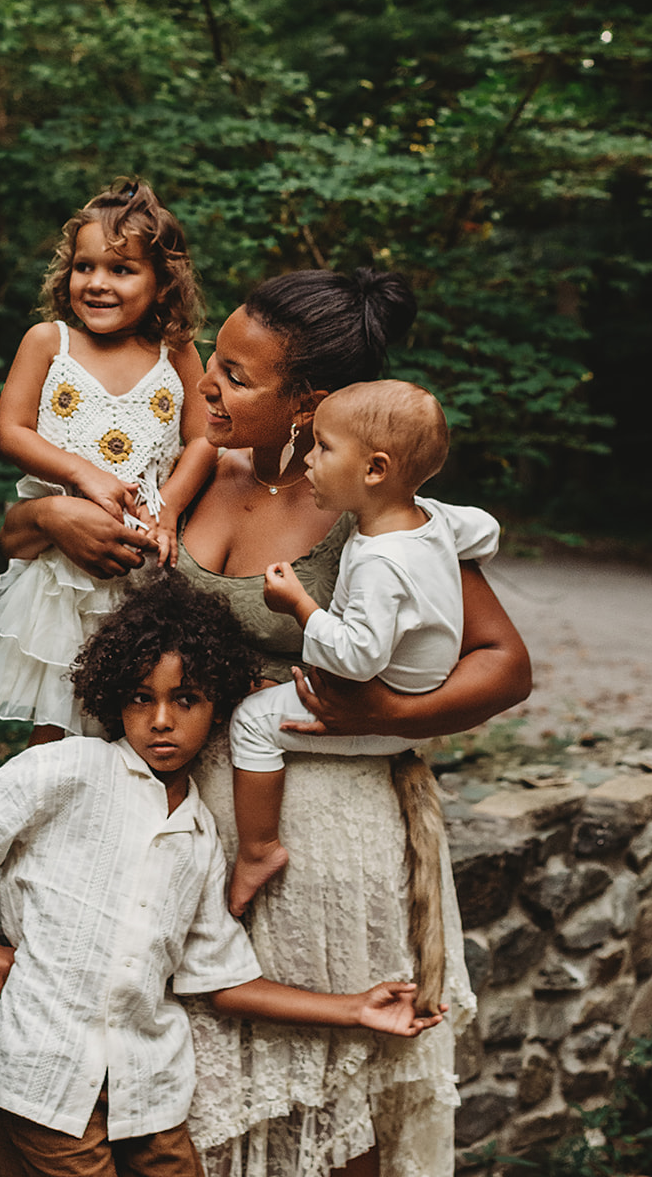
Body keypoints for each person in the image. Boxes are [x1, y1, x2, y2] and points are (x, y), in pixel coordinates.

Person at [0, 264, 532, 1177]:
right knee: (200, 1107)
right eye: (218, 364)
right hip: (186, 829)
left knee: (328, 1111)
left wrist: (393, 709)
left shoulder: (373, 505)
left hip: (321, 841)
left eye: (237, 377)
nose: (204, 380)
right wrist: (48, 509)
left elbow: (505, 663)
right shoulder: (199, 468)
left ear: (307, 403)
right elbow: (21, 549)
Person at [0, 574, 445, 1177]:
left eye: (186, 699)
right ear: (114, 698)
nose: (161, 719)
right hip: (45, 1070)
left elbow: (221, 981)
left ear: (219, 705)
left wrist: (356, 1009)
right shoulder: (71, 768)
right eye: (142, 697)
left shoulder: (201, 838)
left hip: (147, 1091)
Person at [227, 379, 499, 943]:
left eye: (323, 448)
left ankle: (258, 851)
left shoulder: (381, 562)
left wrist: (299, 605)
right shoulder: (430, 519)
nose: (309, 459)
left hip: (377, 710)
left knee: (251, 723)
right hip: (416, 689)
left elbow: (355, 657)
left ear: (375, 470)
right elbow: (488, 531)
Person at [0, 178, 218, 734]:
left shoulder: (174, 353)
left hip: (149, 566)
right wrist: (83, 471)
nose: (98, 283)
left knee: (143, 717)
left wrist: (171, 505)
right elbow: (11, 431)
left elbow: (204, 439)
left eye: (121, 270)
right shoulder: (48, 342)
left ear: (161, 284)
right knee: (56, 724)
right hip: (63, 578)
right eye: (85, 267)